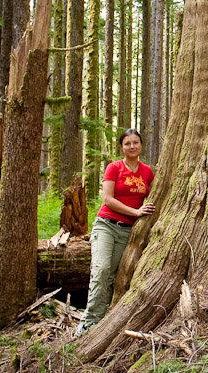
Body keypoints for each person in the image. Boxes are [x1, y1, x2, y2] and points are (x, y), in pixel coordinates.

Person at [76, 129, 155, 335]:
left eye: (135, 142)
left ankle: (103, 320)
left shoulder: (147, 172)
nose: (132, 146)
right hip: (106, 225)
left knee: (112, 275)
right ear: (121, 147)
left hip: (128, 231)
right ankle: (87, 323)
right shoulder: (114, 167)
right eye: (127, 143)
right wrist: (136, 212)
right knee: (100, 269)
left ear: (141, 145)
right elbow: (108, 199)